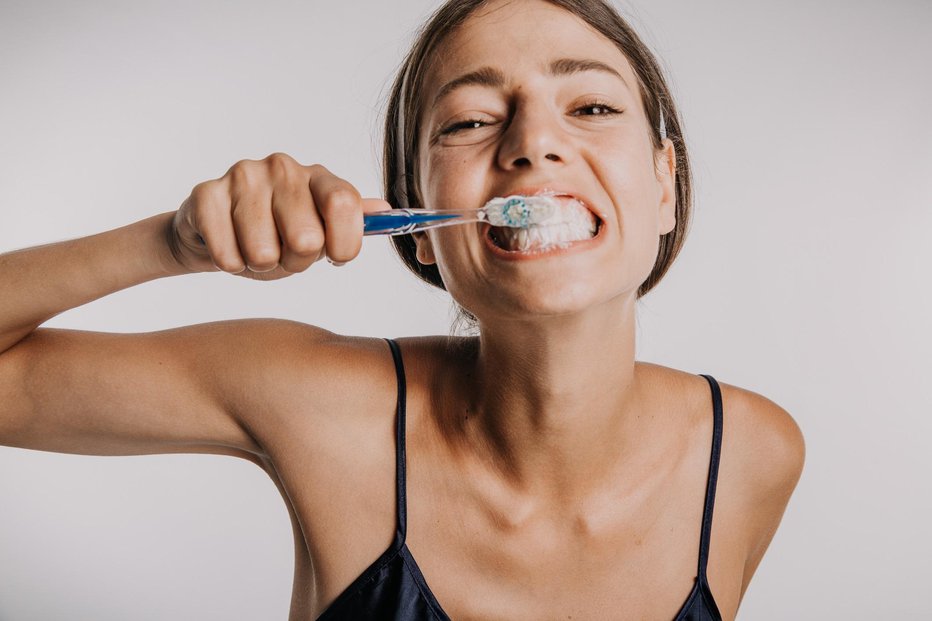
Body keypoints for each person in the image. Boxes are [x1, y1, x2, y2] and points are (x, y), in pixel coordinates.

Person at [0, 0, 805, 619]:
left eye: (591, 107)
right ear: (418, 226)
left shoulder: (752, 455)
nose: (531, 142)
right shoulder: (318, 406)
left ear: (665, 183)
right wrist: (170, 244)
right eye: (472, 121)